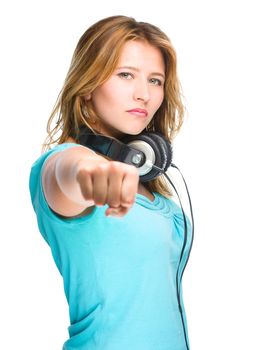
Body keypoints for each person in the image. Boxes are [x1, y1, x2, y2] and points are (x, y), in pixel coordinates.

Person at [29, 15, 193, 350]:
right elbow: (67, 172)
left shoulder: (150, 183)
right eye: (125, 75)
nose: (143, 94)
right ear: (88, 86)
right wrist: (94, 175)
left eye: (155, 80)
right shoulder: (64, 163)